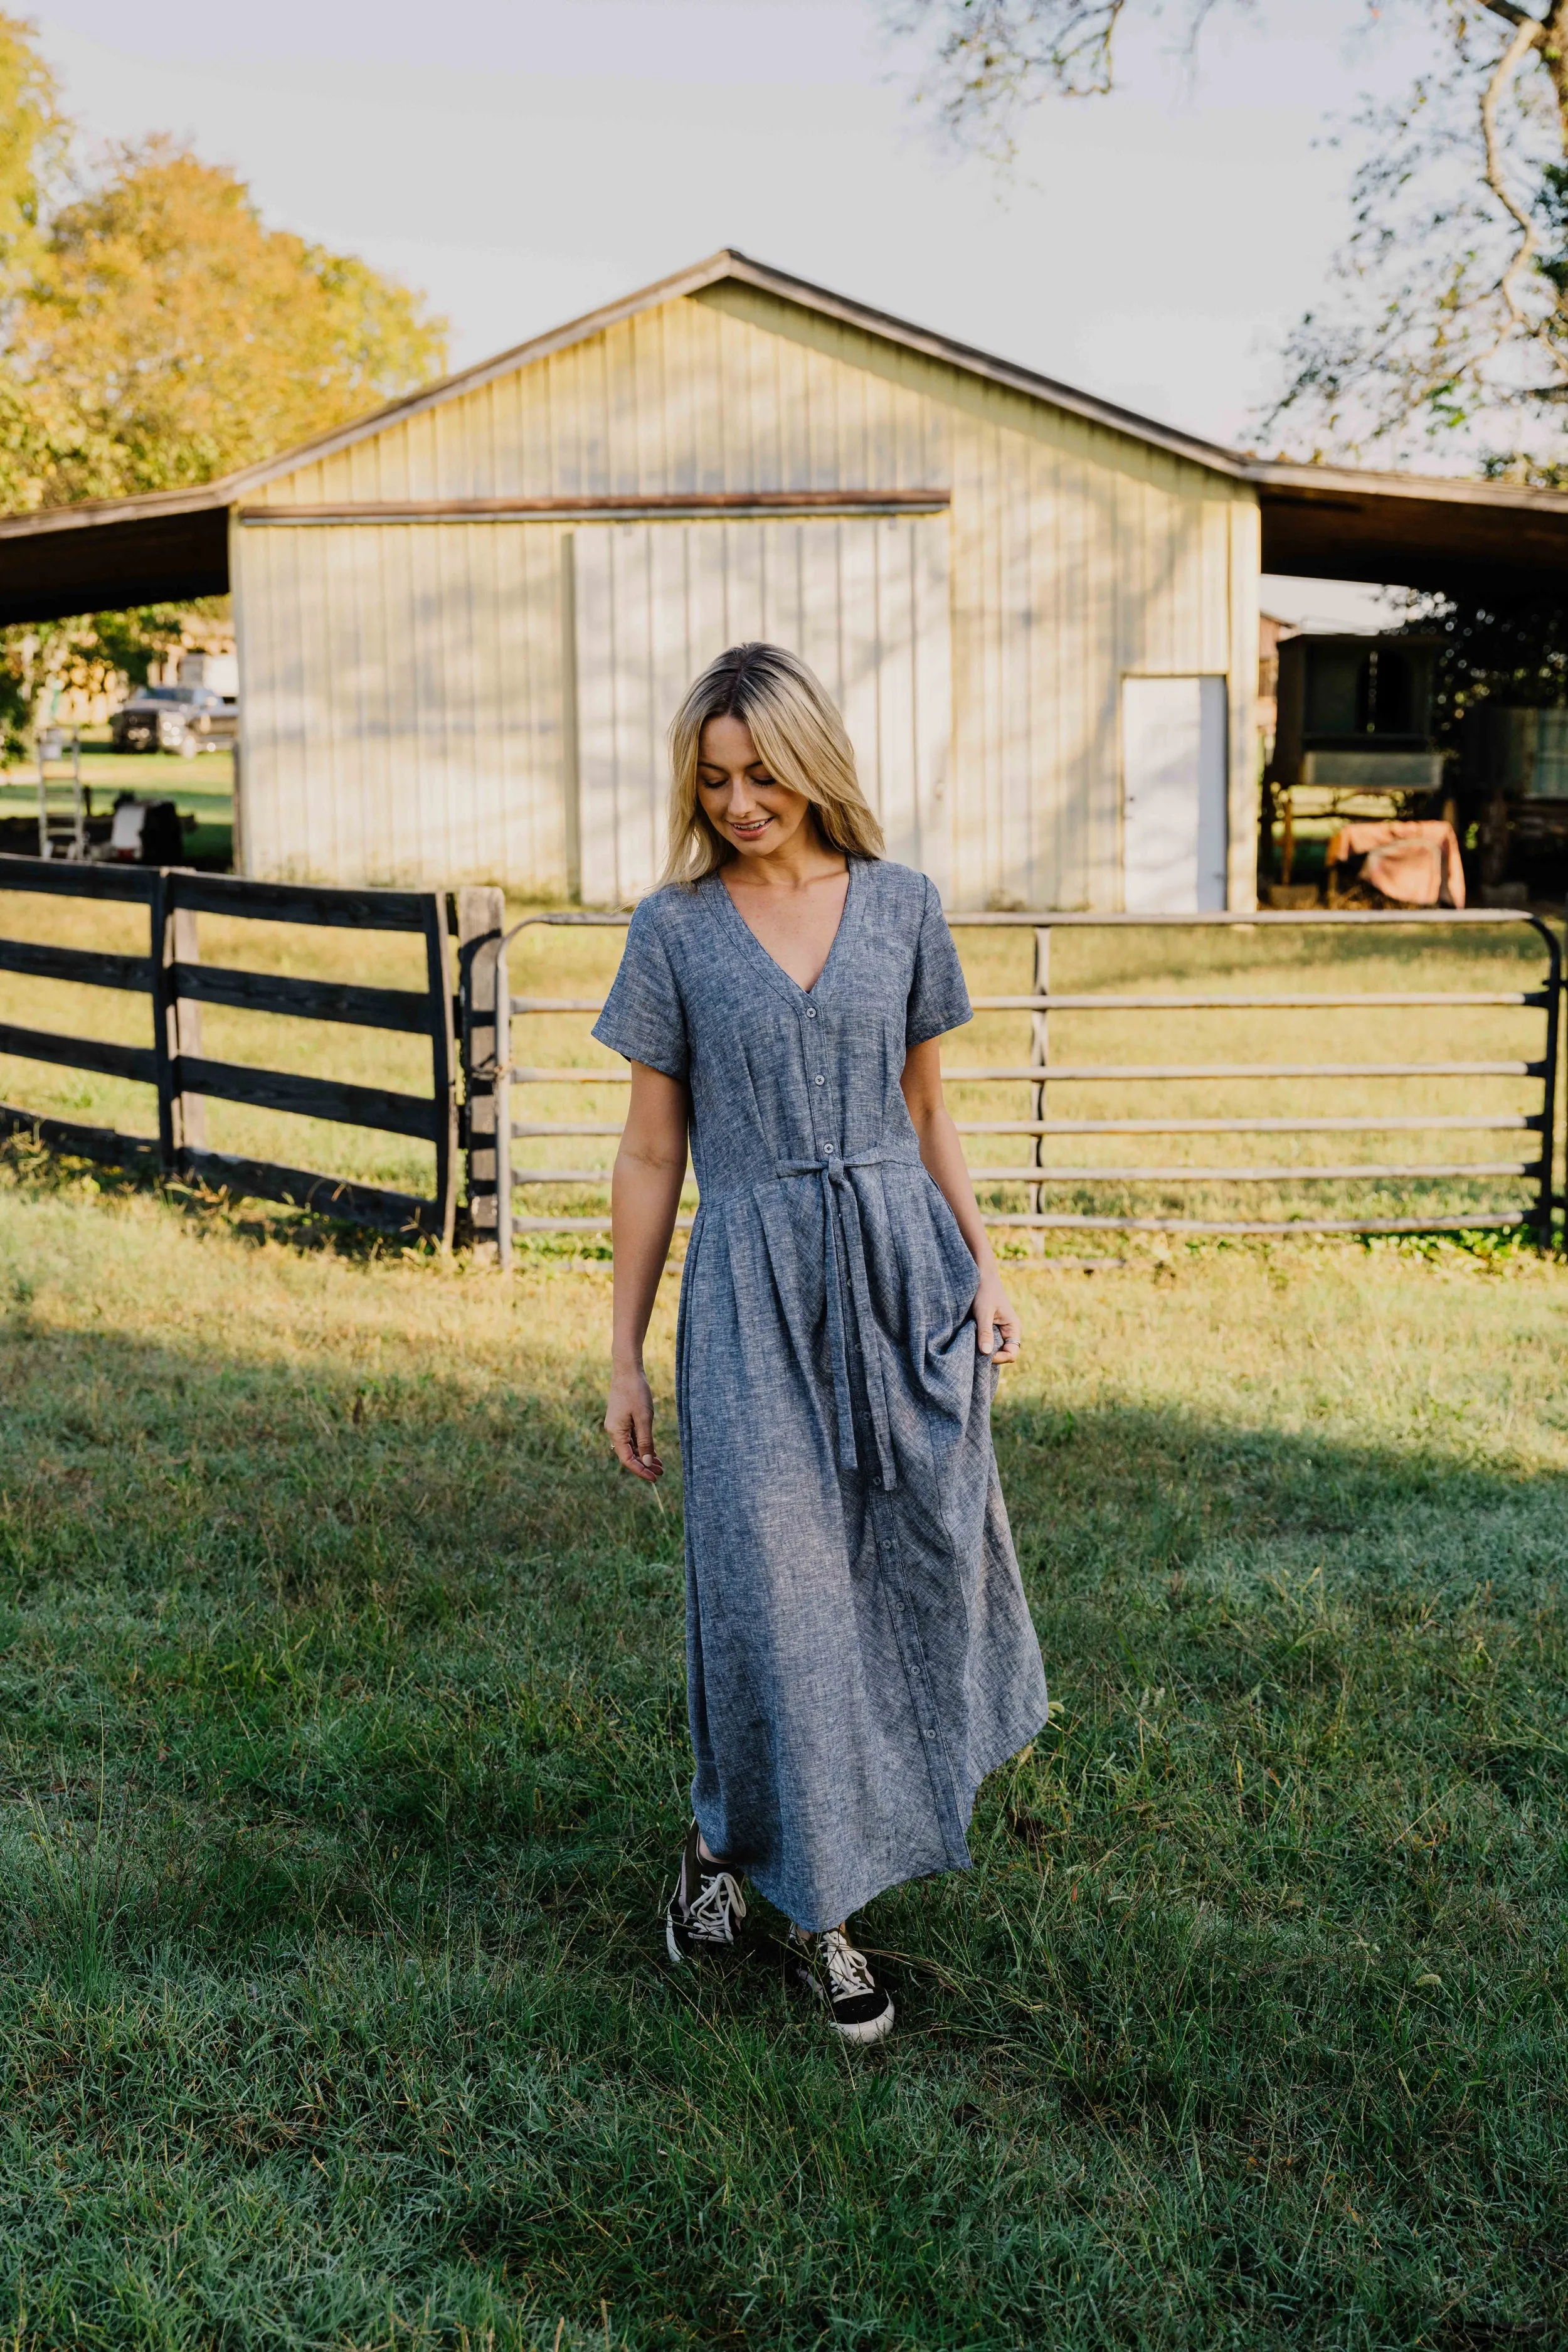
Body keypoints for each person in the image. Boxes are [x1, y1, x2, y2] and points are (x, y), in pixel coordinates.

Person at [596, 642, 1047, 2046]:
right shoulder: (672, 931)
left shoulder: (902, 904)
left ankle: (734, 1853)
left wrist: (984, 1262)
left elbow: (928, 1109)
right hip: (749, 1295)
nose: (738, 801)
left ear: (814, 761)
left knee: (907, 1564)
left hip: (901, 1273)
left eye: (762, 771)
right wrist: (621, 1351)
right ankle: (822, 1917)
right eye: (713, 777)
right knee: (774, 1594)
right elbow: (649, 1148)